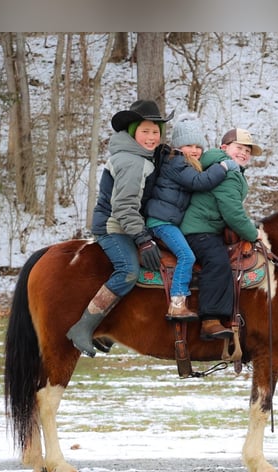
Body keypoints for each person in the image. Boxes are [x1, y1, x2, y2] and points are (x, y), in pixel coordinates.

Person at [67, 99, 173, 357]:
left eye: (155, 131)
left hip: (126, 224)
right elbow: (124, 207)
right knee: (127, 271)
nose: (151, 137)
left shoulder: (141, 157)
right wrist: (142, 239)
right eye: (145, 131)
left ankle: (112, 326)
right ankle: (84, 326)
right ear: (132, 131)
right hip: (113, 227)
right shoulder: (132, 162)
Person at [145, 113, 240, 321]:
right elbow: (200, 182)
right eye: (189, 145)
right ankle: (177, 303)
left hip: (169, 220)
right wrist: (224, 167)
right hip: (161, 222)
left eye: (198, 146)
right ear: (179, 146)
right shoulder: (176, 162)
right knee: (187, 256)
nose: (195, 150)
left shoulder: (183, 162)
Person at [179, 127, 266, 340]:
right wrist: (252, 233)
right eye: (239, 148)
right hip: (199, 230)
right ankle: (210, 321)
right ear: (224, 148)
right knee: (217, 262)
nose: (244, 153)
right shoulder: (227, 172)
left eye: (248, 150)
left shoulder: (225, 169)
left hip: (207, 227)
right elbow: (232, 212)